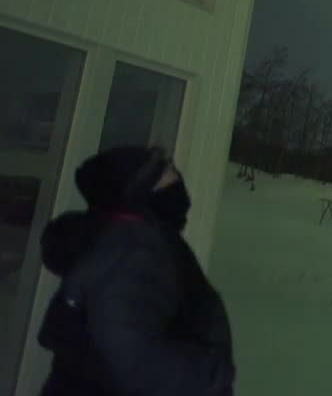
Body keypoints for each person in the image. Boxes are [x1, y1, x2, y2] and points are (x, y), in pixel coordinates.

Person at [36, 146, 236, 396]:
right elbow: (130, 353)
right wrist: (211, 376)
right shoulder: (134, 248)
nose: (177, 176)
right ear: (142, 191)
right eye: (166, 170)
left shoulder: (130, 242)